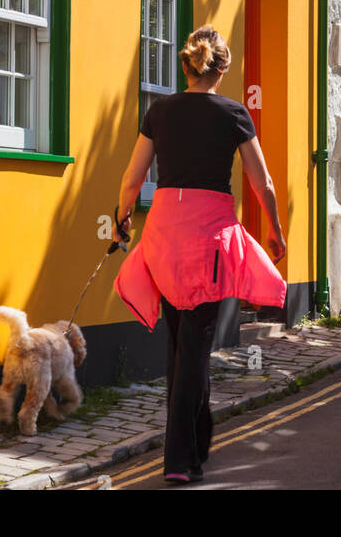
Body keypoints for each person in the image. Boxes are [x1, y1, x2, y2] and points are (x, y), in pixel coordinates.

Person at [112, 25, 287, 485]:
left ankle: (197, 441)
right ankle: (177, 459)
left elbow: (133, 177)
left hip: (164, 234)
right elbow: (261, 181)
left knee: (180, 343)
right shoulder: (234, 114)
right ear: (221, 68)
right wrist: (275, 228)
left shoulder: (159, 111)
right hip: (208, 238)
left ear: (186, 66)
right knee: (194, 347)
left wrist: (121, 217)